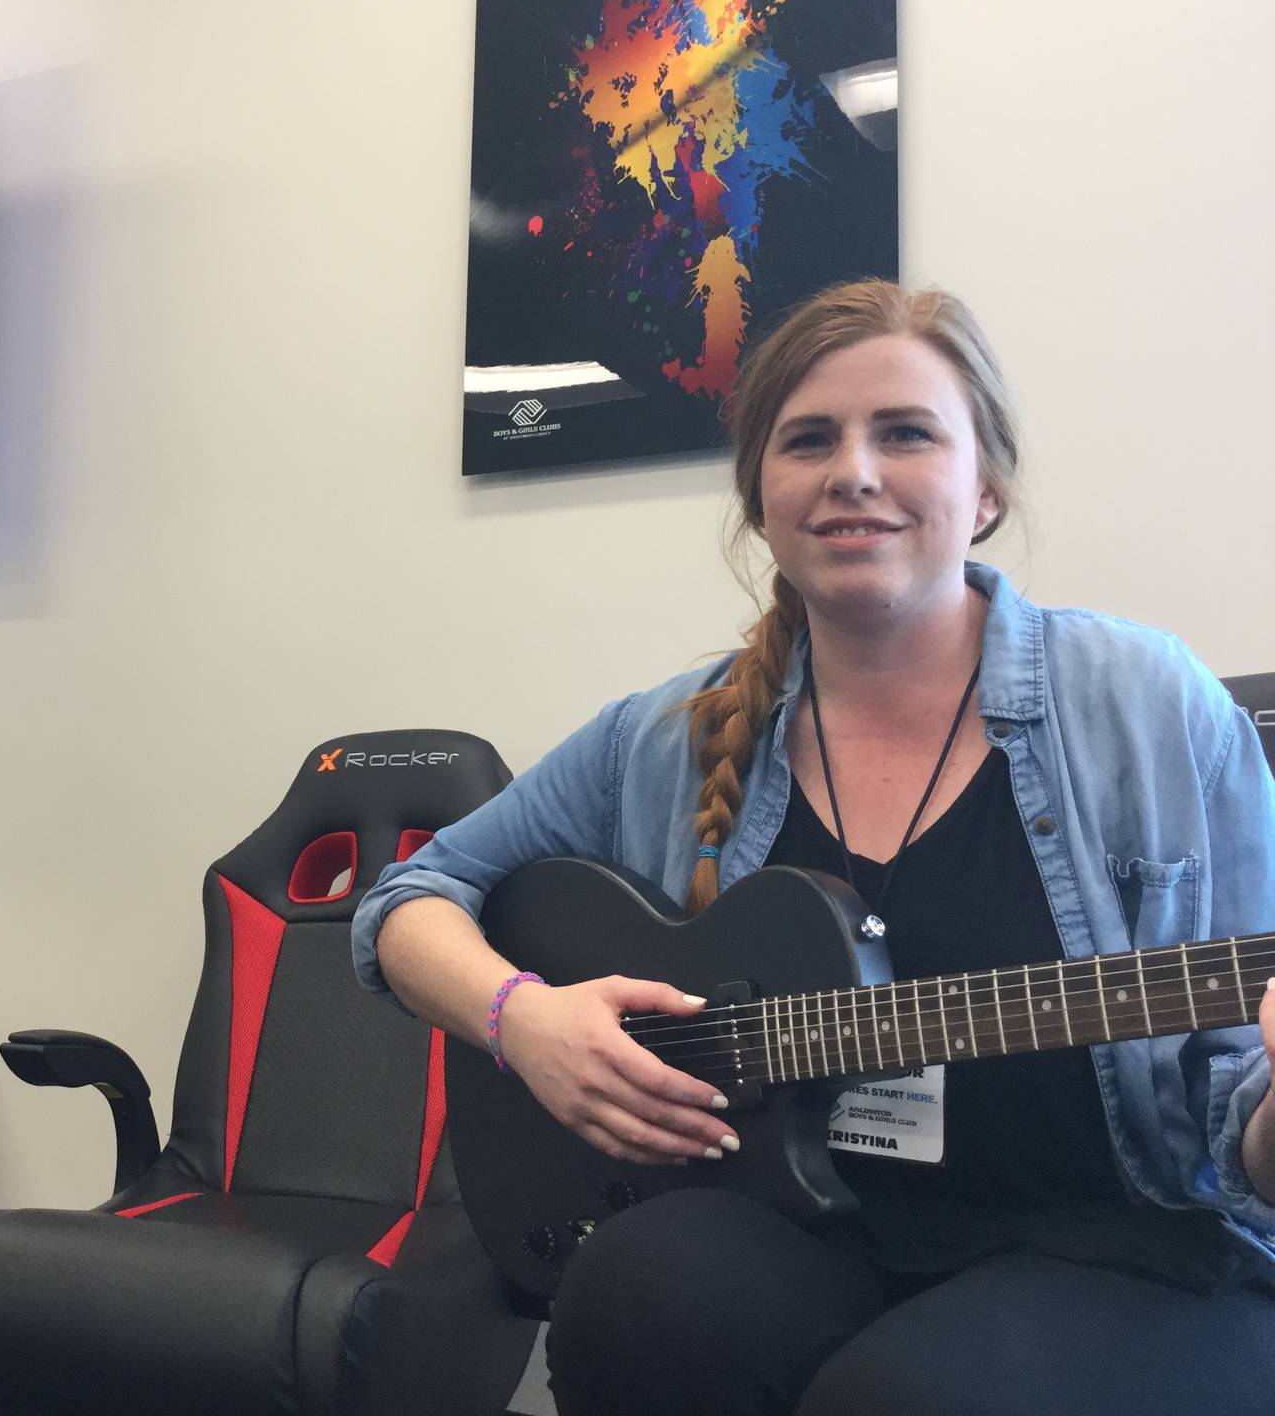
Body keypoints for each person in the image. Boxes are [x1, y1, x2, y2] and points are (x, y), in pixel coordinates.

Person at [350, 280, 1275, 1416]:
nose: (853, 471)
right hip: (810, 1222)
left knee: (907, 1393)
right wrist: (522, 1021)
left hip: (1118, 1246)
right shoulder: (659, 738)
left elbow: (1243, 1128)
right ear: (760, 500)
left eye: (903, 433)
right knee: (629, 1292)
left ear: (983, 488)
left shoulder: (1150, 707)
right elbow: (408, 899)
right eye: (807, 441)